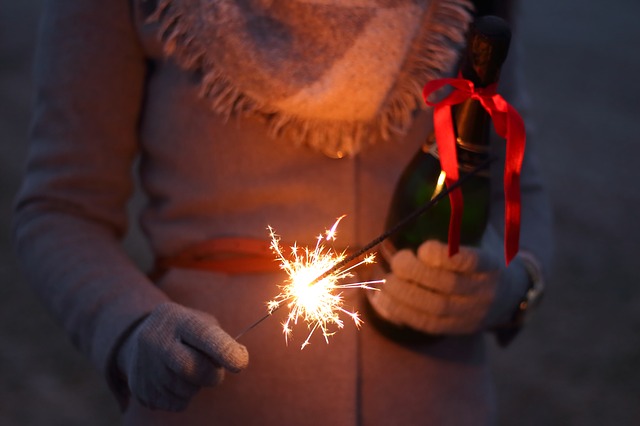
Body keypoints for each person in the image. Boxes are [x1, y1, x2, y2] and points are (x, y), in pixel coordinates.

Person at [13, 0, 552, 424]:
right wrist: (128, 325)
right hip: (215, 410)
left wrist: (510, 285)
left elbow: (518, 185)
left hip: (437, 406)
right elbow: (61, 209)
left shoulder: (468, 8)